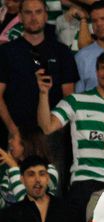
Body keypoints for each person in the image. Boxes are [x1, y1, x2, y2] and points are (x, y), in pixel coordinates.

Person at [38, 49, 104, 222]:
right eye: (103, 68)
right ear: (96, 71)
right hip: (83, 182)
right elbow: (47, 127)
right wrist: (43, 93)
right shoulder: (76, 100)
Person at [0, 0, 78, 188]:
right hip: (16, 132)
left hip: (51, 135)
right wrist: (13, 130)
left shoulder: (62, 52)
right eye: (28, 12)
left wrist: (55, 130)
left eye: (38, 12)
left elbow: (69, 98)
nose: (33, 17)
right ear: (20, 16)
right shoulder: (6, 52)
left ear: (46, 15)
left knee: (52, 190)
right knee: (12, 188)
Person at [0, 125, 58, 205]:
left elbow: (28, 204)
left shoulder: (49, 171)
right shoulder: (10, 169)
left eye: (13, 138)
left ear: (25, 143)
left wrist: (13, 166)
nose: (10, 141)